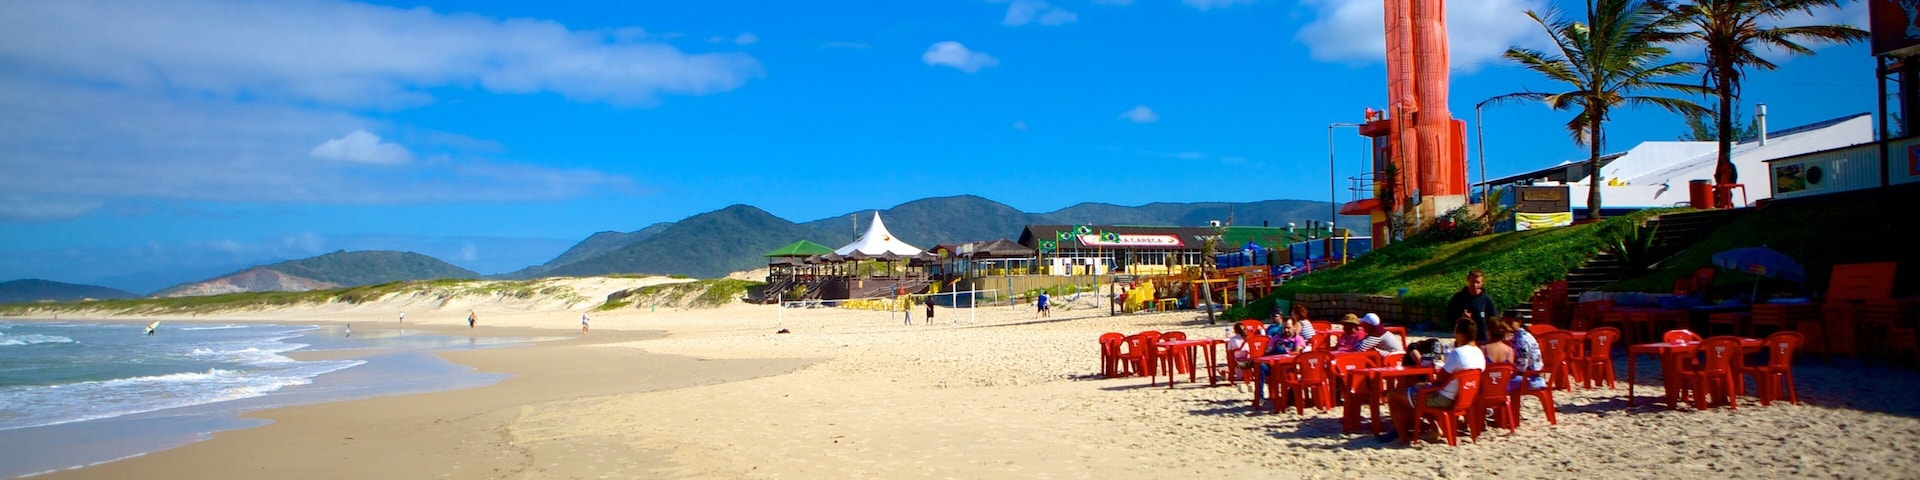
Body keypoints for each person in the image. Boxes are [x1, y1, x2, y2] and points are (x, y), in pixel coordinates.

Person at [1382, 318, 1485, 444]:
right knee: (1420, 389)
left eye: (1455, 332)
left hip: (1444, 399)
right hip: (1465, 397)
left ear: (1461, 335)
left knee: (1393, 395)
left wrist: (1427, 384)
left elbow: (1440, 378)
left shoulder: (1458, 353)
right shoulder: (1479, 353)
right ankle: (1434, 428)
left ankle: (1403, 437)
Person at [1445, 269, 1499, 344]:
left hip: (1482, 340)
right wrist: (1461, 317)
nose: (1475, 285)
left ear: (1482, 283)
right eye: (1472, 281)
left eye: (1478, 282)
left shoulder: (1486, 300)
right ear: (1468, 280)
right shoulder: (1459, 298)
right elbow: (1449, 317)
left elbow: (1494, 320)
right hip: (1463, 340)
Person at [1503, 317, 1547, 390]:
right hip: (1534, 375)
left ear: (1519, 322)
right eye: (1506, 323)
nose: (1507, 326)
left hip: (1532, 379)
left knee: (1500, 383)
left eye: (1510, 323)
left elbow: (1522, 365)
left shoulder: (1521, 340)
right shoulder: (1524, 334)